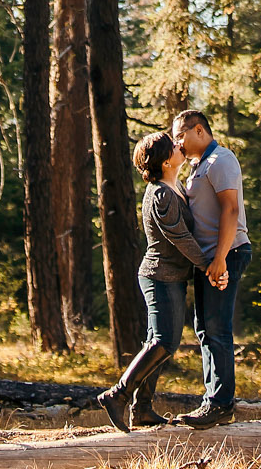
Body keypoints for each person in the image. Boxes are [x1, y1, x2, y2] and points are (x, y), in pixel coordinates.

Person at [97, 130, 204, 433]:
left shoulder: (175, 187)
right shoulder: (161, 195)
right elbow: (180, 237)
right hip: (159, 277)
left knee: (157, 341)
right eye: (174, 146)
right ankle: (118, 395)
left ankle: (141, 409)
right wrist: (208, 265)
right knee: (163, 342)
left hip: (170, 277)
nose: (179, 146)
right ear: (166, 161)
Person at [173, 109, 251, 427]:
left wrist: (220, 258)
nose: (177, 141)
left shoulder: (221, 160)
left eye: (181, 134)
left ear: (200, 130)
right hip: (208, 260)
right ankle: (212, 399)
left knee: (217, 329)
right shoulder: (198, 166)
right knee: (204, 329)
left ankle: (221, 404)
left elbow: (230, 209)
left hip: (227, 254)